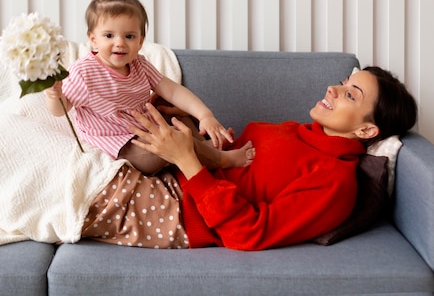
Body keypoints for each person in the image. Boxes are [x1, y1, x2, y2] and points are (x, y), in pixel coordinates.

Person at [80, 66, 418, 250]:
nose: (332, 88)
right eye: (343, 82)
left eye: (349, 95)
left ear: (366, 131)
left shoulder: (334, 184)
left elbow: (249, 233)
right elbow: (240, 166)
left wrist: (187, 161)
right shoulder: (300, 131)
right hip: (173, 173)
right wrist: (191, 130)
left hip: (179, 212)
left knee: (64, 183)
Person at [44, 0, 254, 175]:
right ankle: (222, 159)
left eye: (129, 36)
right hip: (124, 145)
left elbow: (172, 90)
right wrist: (55, 94)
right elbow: (60, 109)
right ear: (93, 39)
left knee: (171, 109)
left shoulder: (139, 65)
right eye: (109, 36)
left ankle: (206, 146)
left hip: (148, 127)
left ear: (141, 41)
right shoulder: (84, 73)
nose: (120, 43)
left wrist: (205, 115)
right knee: (171, 142)